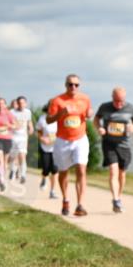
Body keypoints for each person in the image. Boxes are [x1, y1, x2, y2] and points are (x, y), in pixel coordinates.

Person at [47, 74, 93, 216]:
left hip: (80, 139)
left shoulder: (85, 99)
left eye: (76, 84)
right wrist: (60, 113)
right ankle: (66, 199)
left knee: (81, 169)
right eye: (70, 84)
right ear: (65, 85)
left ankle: (80, 204)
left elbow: (88, 113)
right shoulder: (57, 100)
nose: (73, 87)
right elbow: (49, 120)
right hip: (63, 140)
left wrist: (90, 113)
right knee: (63, 172)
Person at [95, 87, 133, 213]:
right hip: (109, 144)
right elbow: (96, 119)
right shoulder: (104, 107)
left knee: (122, 174)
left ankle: (119, 197)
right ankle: (115, 200)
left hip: (124, 145)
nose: (119, 104)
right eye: (116, 101)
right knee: (113, 171)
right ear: (112, 97)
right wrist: (100, 128)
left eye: (121, 101)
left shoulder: (130, 108)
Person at [8, 96, 34, 184]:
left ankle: (23, 175)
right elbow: (8, 124)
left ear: (26, 104)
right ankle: (12, 170)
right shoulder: (12, 112)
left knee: (22, 155)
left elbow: (29, 123)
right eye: (19, 103)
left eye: (23, 103)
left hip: (23, 137)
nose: (21, 105)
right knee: (13, 156)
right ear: (17, 103)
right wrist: (13, 127)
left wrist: (31, 129)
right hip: (13, 137)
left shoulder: (28, 112)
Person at [36, 104, 58, 198]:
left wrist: (54, 139)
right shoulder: (42, 119)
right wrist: (42, 139)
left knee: (55, 169)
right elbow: (39, 131)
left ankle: (52, 191)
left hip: (56, 147)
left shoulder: (59, 119)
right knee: (45, 168)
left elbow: (63, 132)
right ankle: (44, 178)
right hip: (45, 147)